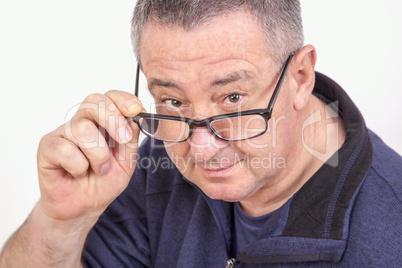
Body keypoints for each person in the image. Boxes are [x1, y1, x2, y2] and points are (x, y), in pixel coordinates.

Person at [1, 0, 401, 267]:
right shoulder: (149, 166)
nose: (201, 148)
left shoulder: (391, 234)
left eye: (232, 97)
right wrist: (61, 221)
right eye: (172, 101)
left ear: (299, 78)